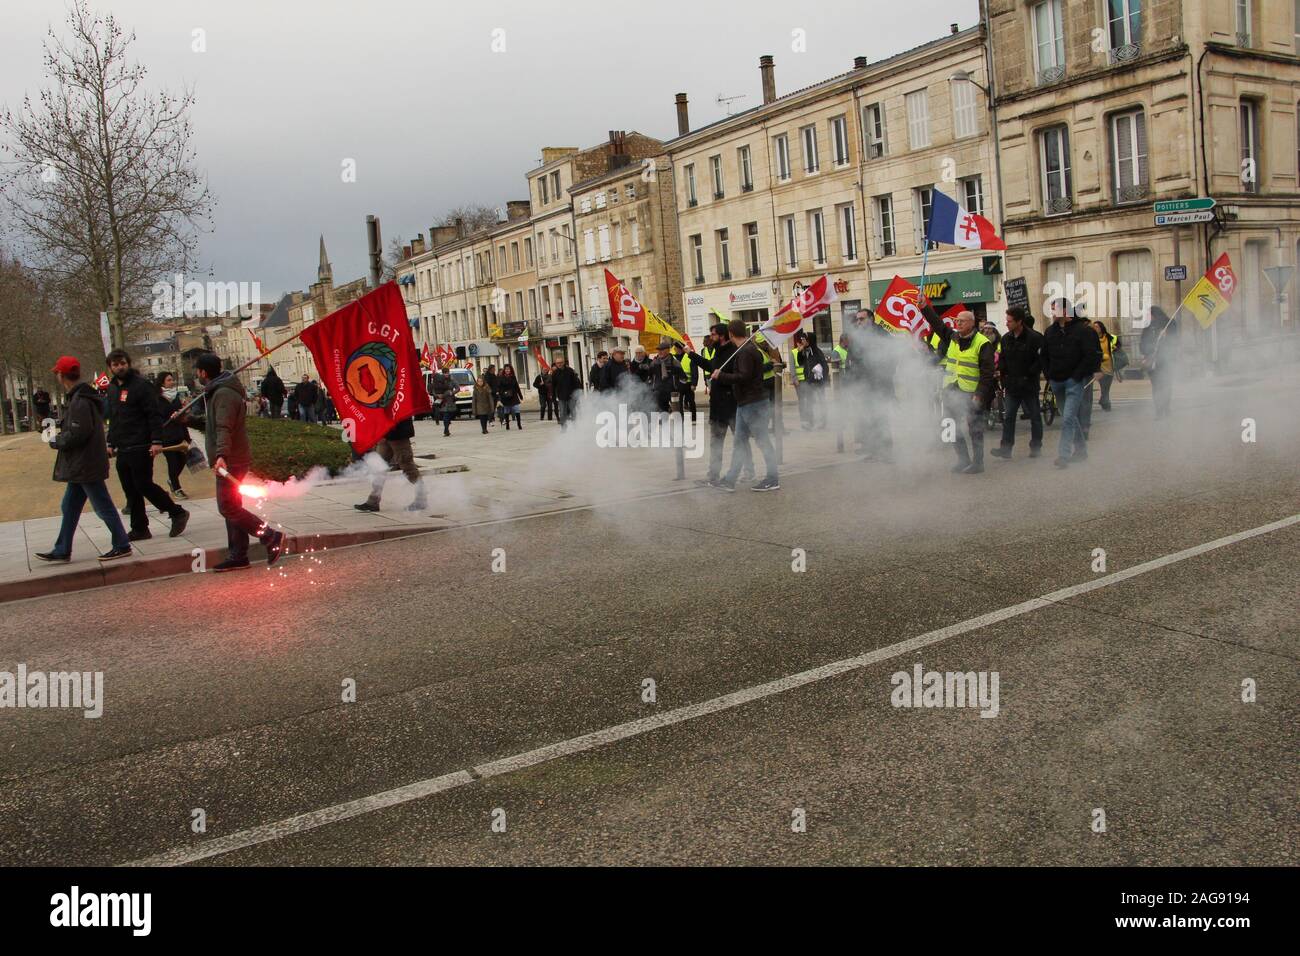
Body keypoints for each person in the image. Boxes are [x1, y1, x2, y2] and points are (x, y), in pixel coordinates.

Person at [186, 351, 286, 572]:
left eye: (198, 372)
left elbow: (224, 428)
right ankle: (239, 555)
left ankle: (270, 536)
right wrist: (189, 420)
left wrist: (221, 456)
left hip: (231, 459)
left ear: (203, 372)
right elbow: (213, 424)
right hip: (230, 457)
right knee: (233, 507)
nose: (197, 376)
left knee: (228, 507)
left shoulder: (223, 394)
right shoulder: (219, 391)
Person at [35, 356, 133, 563]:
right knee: (69, 506)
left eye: (57, 373)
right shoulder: (82, 397)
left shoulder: (80, 400)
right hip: (85, 463)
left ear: (62, 376)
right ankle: (62, 549)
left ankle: (122, 544)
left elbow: (79, 433)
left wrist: (56, 440)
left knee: (102, 506)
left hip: (85, 464)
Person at [103, 349, 189, 540]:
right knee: (130, 488)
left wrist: (157, 441)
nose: (119, 367)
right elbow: (114, 419)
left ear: (128, 363)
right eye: (115, 365)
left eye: (122, 363)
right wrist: (110, 442)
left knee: (143, 484)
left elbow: (153, 414)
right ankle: (140, 527)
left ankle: (176, 512)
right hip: (123, 446)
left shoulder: (142, 386)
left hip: (141, 444)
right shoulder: (112, 388)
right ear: (110, 367)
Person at [924, 306, 995, 474]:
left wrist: (979, 394)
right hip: (951, 390)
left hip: (972, 393)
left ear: (971, 323)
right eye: (956, 321)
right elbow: (937, 324)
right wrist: (924, 308)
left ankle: (978, 463)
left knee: (975, 428)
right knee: (949, 425)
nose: (958, 323)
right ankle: (963, 459)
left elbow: (987, 374)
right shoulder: (953, 337)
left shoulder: (982, 343)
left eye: (961, 321)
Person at [712, 318, 779, 492]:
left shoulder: (746, 352)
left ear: (730, 333)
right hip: (745, 403)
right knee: (739, 443)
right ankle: (730, 480)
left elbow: (744, 376)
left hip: (753, 403)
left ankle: (772, 478)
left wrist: (722, 376)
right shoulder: (745, 350)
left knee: (762, 441)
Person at [1042, 298, 1102, 467]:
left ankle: (1064, 455)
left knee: (1068, 418)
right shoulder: (1050, 332)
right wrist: (1049, 375)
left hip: (1073, 381)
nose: (1052, 313)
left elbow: (1091, 354)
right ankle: (1081, 450)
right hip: (1056, 380)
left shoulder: (1083, 331)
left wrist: (1078, 375)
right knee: (1071, 418)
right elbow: (1044, 355)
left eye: (1055, 310)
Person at [689, 322, 750, 485]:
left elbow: (735, 375)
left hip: (731, 404)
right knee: (716, 442)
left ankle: (749, 472)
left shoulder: (733, 352)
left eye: (714, 334)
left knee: (741, 440)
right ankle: (713, 475)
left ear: (722, 336)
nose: (711, 337)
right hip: (717, 405)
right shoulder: (718, 351)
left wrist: (721, 375)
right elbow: (711, 367)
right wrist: (692, 355)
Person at [991, 307, 1045, 459]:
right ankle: (1006, 448)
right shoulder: (1006, 338)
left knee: (1034, 416)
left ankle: (1036, 447)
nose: (1006, 324)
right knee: (1009, 417)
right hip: (1012, 385)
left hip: (1028, 384)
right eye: (1006, 320)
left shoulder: (1034, 338)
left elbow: (1040, 360)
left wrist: (1029, 375)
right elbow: (1002, 358)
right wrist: (1003, 375)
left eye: (1009, 321)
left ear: (1019, 321)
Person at [355, 416, 427, 513]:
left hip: (398, 433)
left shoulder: (401, 400)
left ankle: (421, 499)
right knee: (378, 467)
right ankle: (373, 501)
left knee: (407, 465)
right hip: (385, 432)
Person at [154, 371, 191, 498]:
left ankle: (172, 480)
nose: (172, 382)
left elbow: (181, 415)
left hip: (179, 433)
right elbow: (157, 416)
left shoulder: (176, 396)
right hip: (166, 435)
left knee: (182, 459)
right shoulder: (157, 398)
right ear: (162, 382)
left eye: (172, 379)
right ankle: (176, 488)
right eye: (169, 380)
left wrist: (183, 411)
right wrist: (170, 416)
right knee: (172, 462)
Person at [1139, 306, 1178, 420]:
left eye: (1149, 314)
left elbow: (1174, 341)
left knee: (1164, 385)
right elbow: (1142, 345)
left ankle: (1164, 408)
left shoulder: (1170, 324)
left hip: (1166, 360)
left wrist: (1166, 337)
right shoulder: (1148, 328)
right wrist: (1149, 350)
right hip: (1153, 362)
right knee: (1157, 386)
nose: (1148, 317)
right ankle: (1160, 410)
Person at [646, 339, 684, 413]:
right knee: (662, 414)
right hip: (659, 392)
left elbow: (683, 378)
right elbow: (649, 377)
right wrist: (653, 388)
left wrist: (678, 388)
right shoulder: (654, 363)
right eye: (658, 350)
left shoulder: (675, 363)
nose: (659, 352)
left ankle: (679, 424)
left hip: (673, 392)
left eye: (662, 350)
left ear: (668, 350)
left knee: (677, 413)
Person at [551, 355, 582, 429]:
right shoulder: (555, 373)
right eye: (558, 363)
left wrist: (576, 393)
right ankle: (563, 428)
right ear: (555, 364)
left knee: (573, 412)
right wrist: (553, 396)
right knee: (562, 413)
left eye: (561, 362)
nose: (559, 364)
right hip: (561, 396)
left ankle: (576, 427)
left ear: (564, 362)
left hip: (571, 396)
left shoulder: (570, 371)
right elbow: (553, 386)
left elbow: (576, 382)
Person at [1094, 320, 1119, 411]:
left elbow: (1118, 344)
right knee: (1104, 386)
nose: (1095, 328)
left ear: (1101, 328)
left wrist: (1115, 348)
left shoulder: (1109, 337)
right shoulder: (1093, 339)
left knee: (1106, 386)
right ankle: (1107, 404)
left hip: (1109, 366)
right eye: (1094, 327)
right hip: (1100, 367)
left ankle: (1103, 400)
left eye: (1096, 326)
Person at [674, 344, 698, 421]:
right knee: (679, 403)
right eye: (675, 348)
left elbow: (695, 371)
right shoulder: (673, 358)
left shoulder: (689, 357)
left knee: (691, 402)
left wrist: (694, 384)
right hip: (678, 384)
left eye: (677, 348)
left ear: (682, 349)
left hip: (689, 384)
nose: (676, 350)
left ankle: (693, 419)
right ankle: (681, 419)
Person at [430, 367, 456, 436]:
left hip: (450, 400)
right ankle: (446, 430)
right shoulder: (438, 380)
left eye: (447, 372)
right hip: (442, 401)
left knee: (450, 414)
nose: (446, 374)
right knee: (445, 415)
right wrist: (437, 395)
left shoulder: (452, 380)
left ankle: (447, 426)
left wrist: (452, 393)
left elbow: (458, 388)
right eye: (445, 373)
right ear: (443, 373)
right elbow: (433, 389)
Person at [497, 364, 524, 429]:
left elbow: (517, 387)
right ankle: (507, 425)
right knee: (506, 411)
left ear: (511, 370)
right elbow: (499, 388)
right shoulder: (501, 378)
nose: (507, 370)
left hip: (514, 396)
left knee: (517, 409)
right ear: (504, 370)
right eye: (506, 369)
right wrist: (501, 395)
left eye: (508, 369)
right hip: (505, 396)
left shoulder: (513, 377)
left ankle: (519, 424)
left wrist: (520, 396)